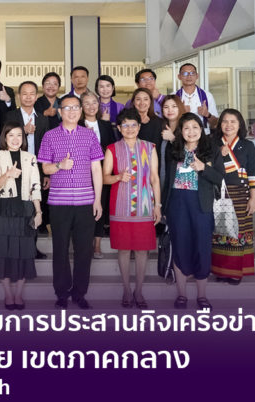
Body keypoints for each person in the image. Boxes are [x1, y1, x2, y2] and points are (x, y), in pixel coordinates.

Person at [37, 95, 104, 310]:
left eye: (76, 107)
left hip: (86, 202)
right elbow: (45, 168)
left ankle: (79, 293)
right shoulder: (50, 136)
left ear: (81, 111)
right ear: (60, 111)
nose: (72, 111)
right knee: (60, 249)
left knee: (84, 251)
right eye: (67, 108)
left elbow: (96, 169)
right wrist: (60, 165)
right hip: (59, 204)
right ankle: (61, 293)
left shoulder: (90, 135)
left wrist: (97, 200)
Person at [162, 113, 224, 310]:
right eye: (186, 128)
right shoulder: (173, 150)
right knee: (180, 247)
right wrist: (163, 206)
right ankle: (182, 295)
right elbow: (167, 180)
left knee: (202, 248)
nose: (191, 132)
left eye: (195, 127)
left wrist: (203, 168)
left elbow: (220, 178)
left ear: (201, 129)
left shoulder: (211, 149)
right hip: (177, 204)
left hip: (201, 206)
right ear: (181, 131)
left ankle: (202, 296)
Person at [102, 108, 161, 309]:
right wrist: (118, 177)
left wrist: (158, 205)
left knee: (143, 250)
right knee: (124, 249)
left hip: (145, 206)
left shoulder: (150, 147)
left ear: (139, 126)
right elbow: (104, 178)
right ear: (119, 128)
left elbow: (154, 178)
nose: (129, 128)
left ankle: (139, 290)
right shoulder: (112, 149)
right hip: (121, 205)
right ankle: (127, 289)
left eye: (133, 124)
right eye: (125, 125)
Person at [0, 121, 42, 311]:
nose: (15, 139)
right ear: (5, 137)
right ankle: (8, 294)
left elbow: (35, 186)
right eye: (11, 135)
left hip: (25, 208)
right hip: (3, 208)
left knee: (24, 251)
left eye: (19, 135)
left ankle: (18, 294)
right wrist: (8, 174)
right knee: (2, 251)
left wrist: (38, 211)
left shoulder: (30, 157)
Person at [211, 109, 255, 285]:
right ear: (220, 124)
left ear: (240, 125)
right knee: (220, 233)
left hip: (240, 195)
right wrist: (218, 154)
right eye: (225, 121)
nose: (228, 125)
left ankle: (235, 272)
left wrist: (254, 198)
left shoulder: (247, 146)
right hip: (218, 194)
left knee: (237, 234)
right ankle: (220, 271)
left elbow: (253, 173)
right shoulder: (212, 143)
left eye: (233, 121)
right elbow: (206, 167)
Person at [5, 80, 49, 256]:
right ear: (18, 96)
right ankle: (15, 247)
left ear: (36, 96)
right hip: (15, 169)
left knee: (34, 209)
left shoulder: (43, 119)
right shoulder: (10, 116)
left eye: (32, 94)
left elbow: (46, 148)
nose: (28, 97)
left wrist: (46, 174)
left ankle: (32, 247)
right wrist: (23, 131)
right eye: (24, 93)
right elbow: (3, 140)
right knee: (16, 210)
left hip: (36, 171)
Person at [80, 91, 120, 259]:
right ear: (81, 106)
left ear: (99, 105)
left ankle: (96, 244)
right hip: (81, 172)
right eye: (87, 103)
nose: (91, 106)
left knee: (100, 205)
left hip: (102, 171)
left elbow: (111, 148)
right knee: (83, 209)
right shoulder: (76, 124)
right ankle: (84, 243)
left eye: (94, 103)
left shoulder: (105, 125)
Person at [175, 63, 218, 133]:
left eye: (192, 73)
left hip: (204, 136)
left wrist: (207, 114)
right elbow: (168, 122)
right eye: (185, 73)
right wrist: (181, 114)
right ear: (179, 76)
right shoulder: (174, 96)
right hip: (181, 135)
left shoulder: (207, 96)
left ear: (197, 76)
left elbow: (215, 124)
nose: (189, 76)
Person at [159, 95, 186, 184]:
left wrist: (173, 139)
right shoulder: (161, 128)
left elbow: (188, 154)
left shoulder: (186, 128)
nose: (170, 110)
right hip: (165, 179)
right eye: (166, 107)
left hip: (181, 181)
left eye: (174, 106)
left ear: (180, 108)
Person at [130, 88, 164, 153]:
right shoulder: (128, 122)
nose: (142, 103)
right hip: (132, 158)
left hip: (154, 158)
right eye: (138, 99)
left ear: (150, 101)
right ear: (133, 102)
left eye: (145, 99)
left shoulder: (160, 123)